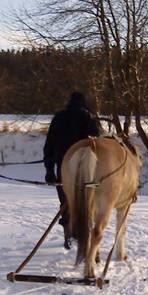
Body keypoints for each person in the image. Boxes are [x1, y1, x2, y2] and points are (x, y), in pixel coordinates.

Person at [43, 91, 100, 249]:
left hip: (63, 167)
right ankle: (85, 236)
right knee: (87, 203)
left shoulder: (58, 118)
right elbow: (97, 145)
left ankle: (68, 233)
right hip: (85, 168)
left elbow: (48, 146)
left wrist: (49, 170)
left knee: (65, 203)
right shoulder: (89, 118)